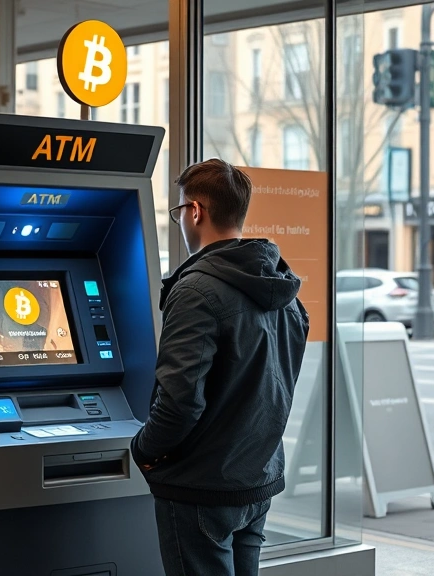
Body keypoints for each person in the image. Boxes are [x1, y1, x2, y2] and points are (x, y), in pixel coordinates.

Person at [131, 159, 310, 576]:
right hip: (254, 477)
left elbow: (180, 401)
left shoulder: (196, 289)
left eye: (178, 212)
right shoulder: (283, 289)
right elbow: (277, 387)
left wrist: (143, 450)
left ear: (195, 211)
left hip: (201, 485)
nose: (180, 221)